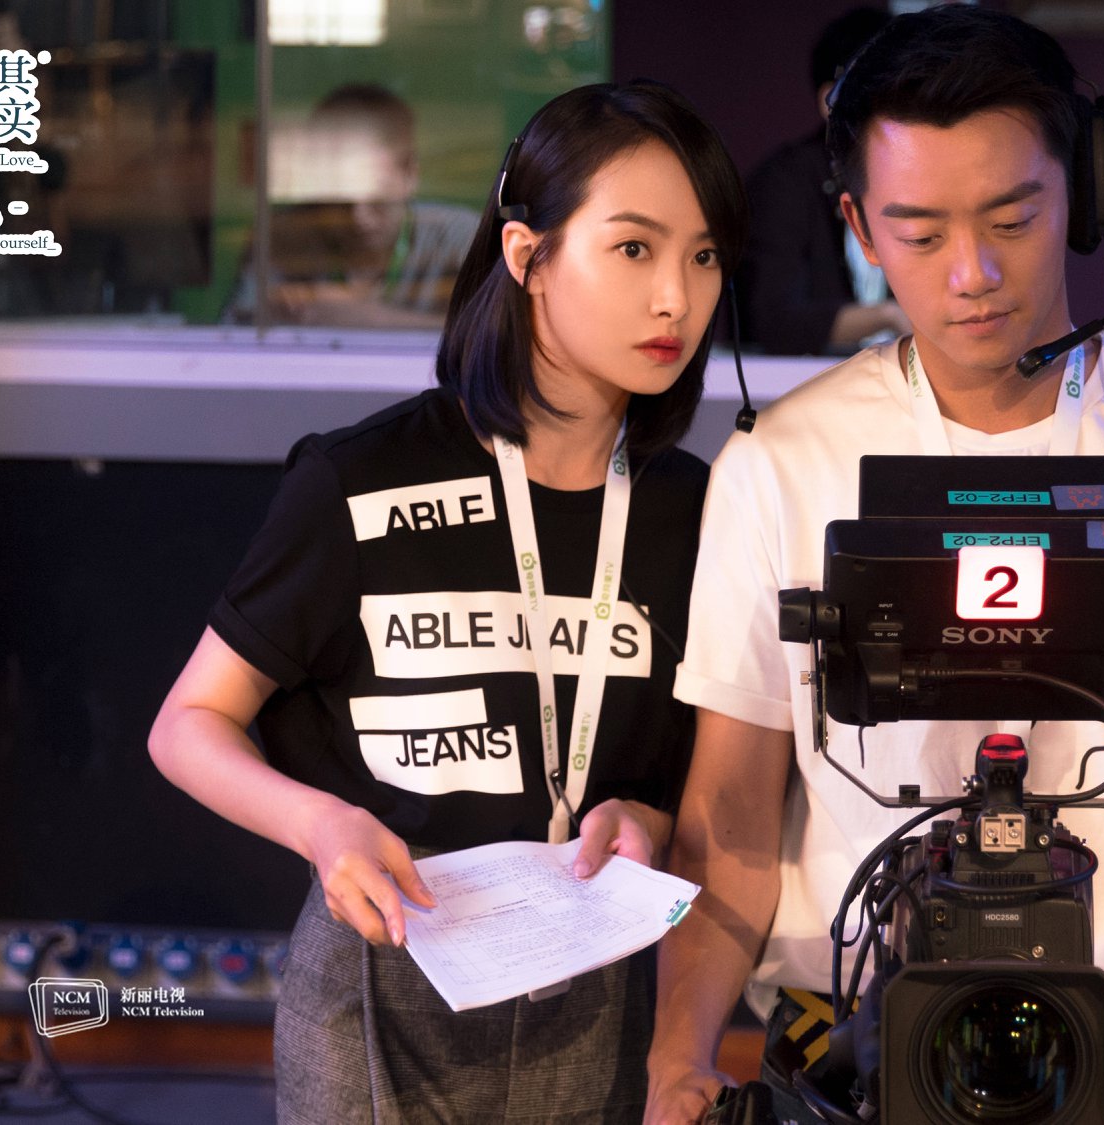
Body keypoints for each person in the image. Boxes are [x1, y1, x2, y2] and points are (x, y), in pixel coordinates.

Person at [635, 8, 1104, 1125]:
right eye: (919, 235)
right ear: (858, 227)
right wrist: (676, 1059)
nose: (972, 273)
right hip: (841, 1065)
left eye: (1013, 218)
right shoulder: (779, 463)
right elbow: (729, 806)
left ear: (1086, 194)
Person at [149, 80, 746, 1124]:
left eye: (703, 257)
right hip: (383, 969)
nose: (675, 300)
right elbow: (187, 724)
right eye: (633, 248)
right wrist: (322, 825)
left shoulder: (697, 512)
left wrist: (642, 818)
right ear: (527, 255)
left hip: (590, 979)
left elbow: (679, 779)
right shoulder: (360, 478)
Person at [226, 83, 479, 329]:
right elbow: (233, 335)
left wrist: (367, 319)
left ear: (410, 175)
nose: (359, 218)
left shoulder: (463, 239)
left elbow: (495, 338)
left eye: (378, 202)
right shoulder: (280, 237)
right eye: (340, 202)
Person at [739, 6, 911, 355]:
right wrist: (889, 316)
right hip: (808, 378)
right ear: (830, 102)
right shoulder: (786, 181)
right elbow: (773, 320)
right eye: (883, 91)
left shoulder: (915, 175)